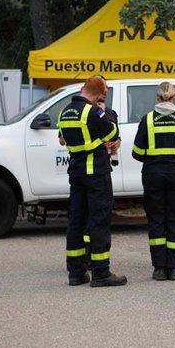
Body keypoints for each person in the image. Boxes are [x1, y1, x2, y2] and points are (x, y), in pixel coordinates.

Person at [57, 76, 127, 287]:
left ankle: (76, 273)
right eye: (104, 93)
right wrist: (105, 113)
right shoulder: (93, 111)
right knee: (99, 221)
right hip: (95, 173)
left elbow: (63, 139)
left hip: (76, 172)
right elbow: (112, 132)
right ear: (100, 94)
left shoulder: (65, 111)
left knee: (76, 222)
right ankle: (101, 273)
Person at [132, 82, 175, 281]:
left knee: (156, 220)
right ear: (174, 98)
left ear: (157, 97)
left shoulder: (148, 119)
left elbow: (137, 152)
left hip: (153, 176)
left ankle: (160, 268)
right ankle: (174, 268)